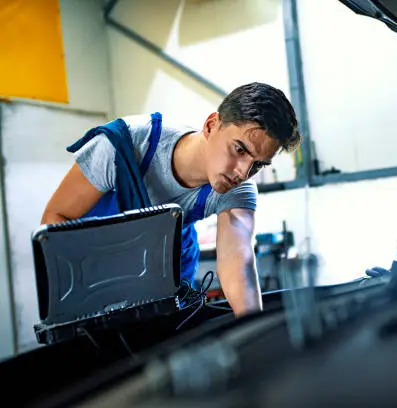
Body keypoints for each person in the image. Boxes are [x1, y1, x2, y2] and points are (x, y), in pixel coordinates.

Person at [40, 82, 301, 317]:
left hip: (164, 286)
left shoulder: (238, 189)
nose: (243, 172)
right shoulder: (124, 146)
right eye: (240, 149)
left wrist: (254, 332)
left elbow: (238, 264)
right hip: (94, 286)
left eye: (257, 165)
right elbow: (54, 221)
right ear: (211, 125)